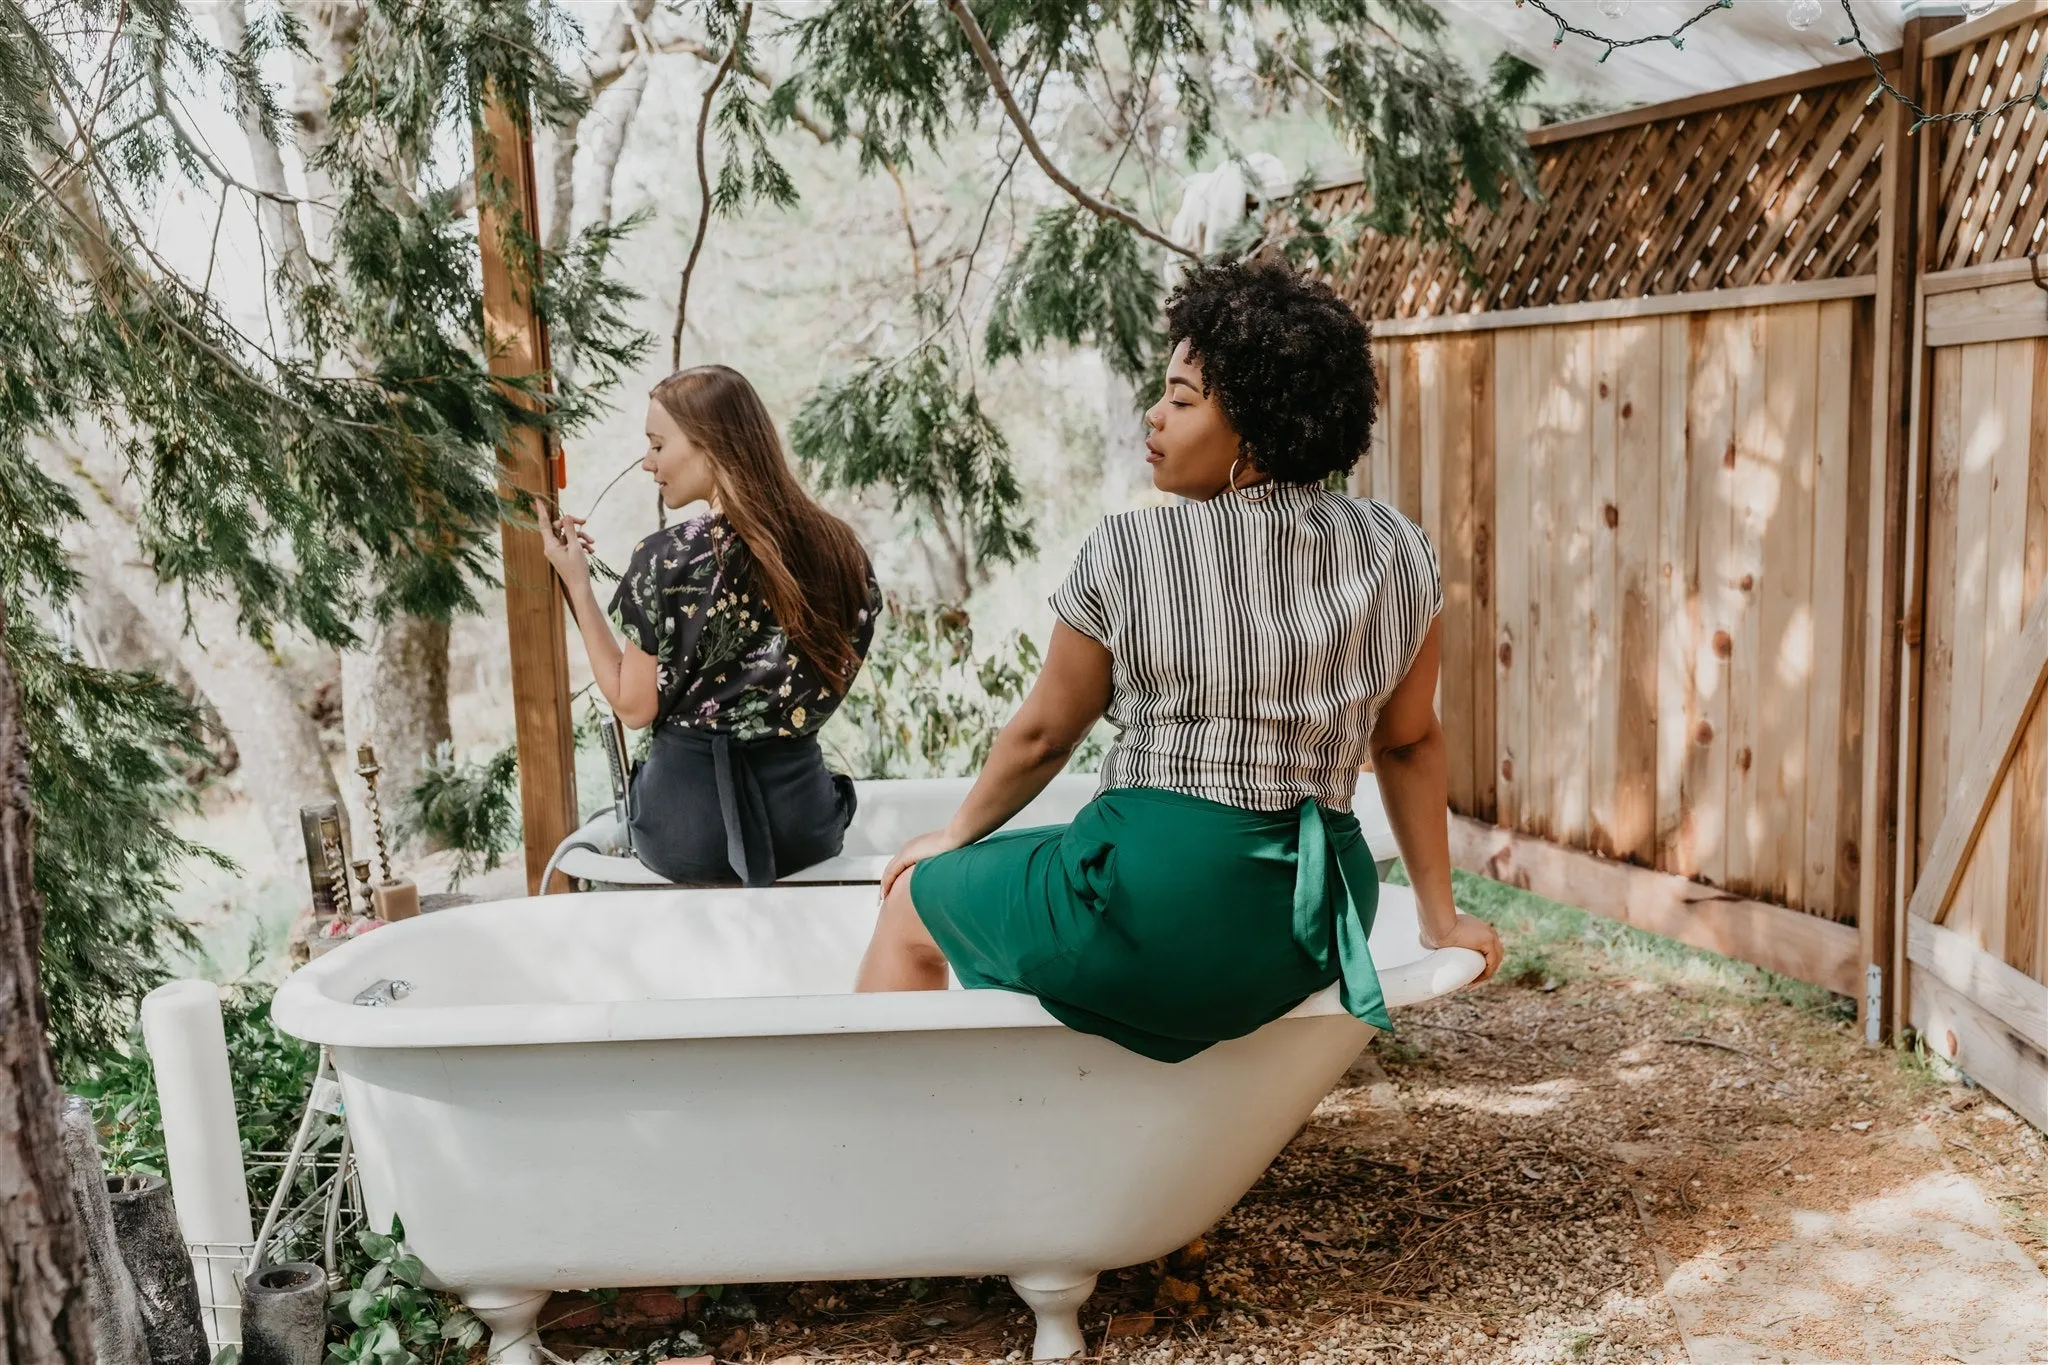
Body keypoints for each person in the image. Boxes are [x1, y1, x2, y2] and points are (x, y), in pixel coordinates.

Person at [853, 259, 1504, 1061]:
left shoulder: (1131, 548)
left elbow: (1044, 737)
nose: (1153, 416)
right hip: (1312, 922)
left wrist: (951, 836)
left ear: (1256, 431)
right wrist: (1440, 919)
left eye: (1183, 400)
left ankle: (878, 1121)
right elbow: (1406, 743)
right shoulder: (1398, 548)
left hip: (1155, 911)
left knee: (910, 905)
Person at [541, 364, 881, 886]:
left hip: (685, 832)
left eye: (657, 445)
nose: (647, 463)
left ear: (710, 443)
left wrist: (577, 586)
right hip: (802, 824)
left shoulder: (665, 558)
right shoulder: (840, 550)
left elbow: (633, 707)